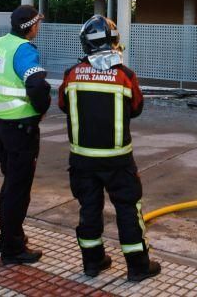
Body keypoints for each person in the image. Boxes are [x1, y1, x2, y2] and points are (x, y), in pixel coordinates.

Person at [58, 15, 161, 282]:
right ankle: (138, 268)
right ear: (113, 42)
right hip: (118, 161)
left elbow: (62, 105)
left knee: (89, 209)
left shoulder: (71, 74)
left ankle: (93, 264)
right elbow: (136, 108)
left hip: (82, 160)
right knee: (127, 209)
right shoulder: (125, 76)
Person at [0, 4, 51, 265]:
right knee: (18, 189)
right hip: (20, 129)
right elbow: (37, 84)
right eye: (37, 23)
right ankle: (12, 248)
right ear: (30, 27)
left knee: (10, 185)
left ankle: (9, 236)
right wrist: (40, 109)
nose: (39, 28)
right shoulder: (23, 50)